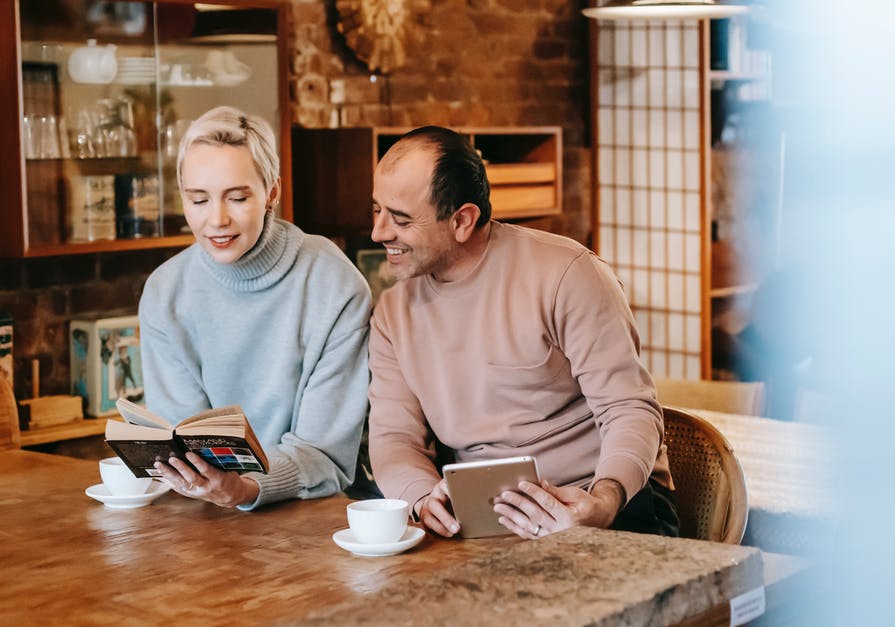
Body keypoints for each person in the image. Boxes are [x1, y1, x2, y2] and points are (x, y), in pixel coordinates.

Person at [367, 126, 676, 539]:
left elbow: (629, 408)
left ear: (462, 220)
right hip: (481, 516)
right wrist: (424, 498)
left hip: (599, 501)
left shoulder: (566, 273)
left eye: (400, 219)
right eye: (376, 210)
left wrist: (603, 500)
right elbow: (394, 437)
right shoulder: (392, 313)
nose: (379, 233)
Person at [139, 106, 372, 509]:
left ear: (272, 193)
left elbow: (325, 453)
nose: (217, 220)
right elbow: (185, 440)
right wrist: (212, 483)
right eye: (198, 200)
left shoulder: (334, 285)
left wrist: (246, 488)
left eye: (238, 197)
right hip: (207, 512)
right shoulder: (165, 292)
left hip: (321, 512)